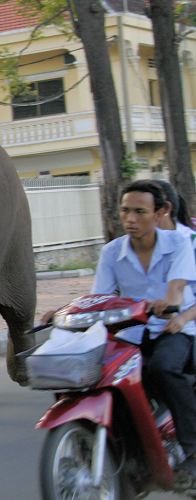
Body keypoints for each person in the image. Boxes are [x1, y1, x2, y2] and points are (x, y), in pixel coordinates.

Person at [88, 180, 196, 478]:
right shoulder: (112, 252)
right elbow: (100, 298)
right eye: (125, 211)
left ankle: (193, 449)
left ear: (160, 213)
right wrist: (64, 311)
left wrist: (170, 306)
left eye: (140, 212)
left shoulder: (180, 244)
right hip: (132, 333)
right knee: (112, 380)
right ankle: (132, 454)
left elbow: (176, 289)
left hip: (175, 331)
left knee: (163, 368)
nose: (130, 219)